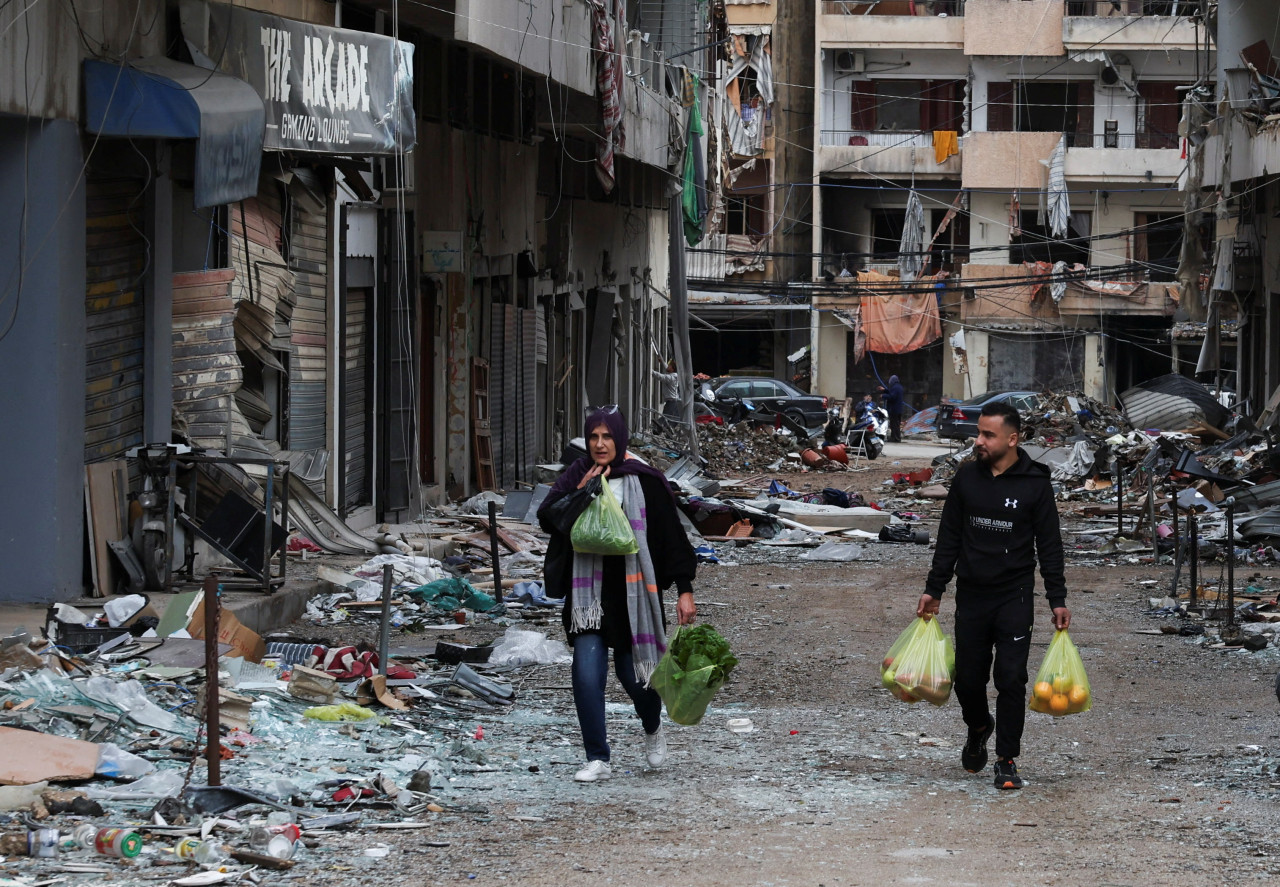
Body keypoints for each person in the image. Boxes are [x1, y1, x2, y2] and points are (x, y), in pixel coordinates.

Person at [538, 406, 697, 783]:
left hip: (634, 594)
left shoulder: (645, 480)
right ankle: (598, 758)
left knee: (636, 678)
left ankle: (653, 725)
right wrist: (583, 490)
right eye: (593, 436)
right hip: (588, 597)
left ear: (620, 438)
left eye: (607, 436)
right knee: (586, 673)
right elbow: (548, 517)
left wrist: (685, 591)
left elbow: (672, 540)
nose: (600, 443)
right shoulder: (577, 475)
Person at [916, 401, 1069, 791]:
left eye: (988, 435)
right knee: (967, 680)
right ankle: (980, 726)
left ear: (1012, 439)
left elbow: (1049, 545)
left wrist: (1057, 597)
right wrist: (934, 589)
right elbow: (949, 538)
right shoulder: (967, 478)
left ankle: (1007, 760)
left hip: (1014, 595)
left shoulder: (1035, 482)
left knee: (1010, 677)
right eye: (978, 433)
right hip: (972, 594)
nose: (979, 441)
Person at [879, 374, 905, 442]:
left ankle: (895, 438)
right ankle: (896, 437)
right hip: (898, 409)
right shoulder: (899, 387)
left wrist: (883, 395)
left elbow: (892, 397)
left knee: (894, 424)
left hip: (894, 409)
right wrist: (884, 390)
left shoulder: (895, 387)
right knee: (896, 424)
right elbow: (892, 392)